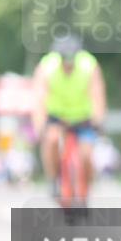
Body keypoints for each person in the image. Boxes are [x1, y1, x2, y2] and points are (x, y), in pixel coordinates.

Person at [31, 34, 107, 204]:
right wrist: (39, 125)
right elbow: (38, 99)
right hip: (56, 117)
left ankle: (86, 189)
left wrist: (99, 119)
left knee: (86, 155)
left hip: (83, 118)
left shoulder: (89, 65)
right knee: (51, 141)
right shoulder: (46, 67)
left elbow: (97, 95)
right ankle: (53, 179)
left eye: (71, 58)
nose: (68, 63)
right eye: (64, 58)